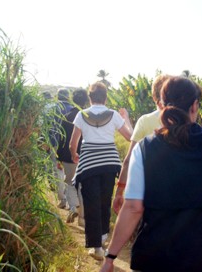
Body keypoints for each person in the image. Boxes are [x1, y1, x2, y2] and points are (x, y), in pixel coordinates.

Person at [100, 76, 202, 272]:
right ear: (194, 106)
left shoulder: (145, 149)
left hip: (158, 257)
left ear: (161, 105)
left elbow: (134, 207)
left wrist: (110, 257)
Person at [69, 81, 133, 260]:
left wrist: (75, 154)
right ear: (105, 98)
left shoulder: (82, 115)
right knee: (105, 200)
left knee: (91, 203)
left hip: (89, 163)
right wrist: (126, 119)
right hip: (110, 163)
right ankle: (103, 238)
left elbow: (73, 142)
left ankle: (96, 247)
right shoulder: (113, 115)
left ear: (90, 98)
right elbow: (129, 137)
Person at [112, 74, 172, 214]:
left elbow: (129, 160)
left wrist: (120, 191)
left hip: (147, 190)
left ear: (154, 97)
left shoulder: (145, 121)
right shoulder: (185, 121)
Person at [56, 88, 89, 224]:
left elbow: (61, 137)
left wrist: (59, 157)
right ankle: (82, 218)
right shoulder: (87, 116)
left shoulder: (67, 115)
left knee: (69, 182)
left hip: (68, 156)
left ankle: (73, 207)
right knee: (82, 185)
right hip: (85, 156)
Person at [50, 88, 74, 209]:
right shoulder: (73, 109)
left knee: (58, 171)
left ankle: (63, 200)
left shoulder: (53, 108)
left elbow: (48, 128)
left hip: (55, 144)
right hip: (71, 145)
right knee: (71, 174)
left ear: (58, 97)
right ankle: (71, 203)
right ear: (68, 97)